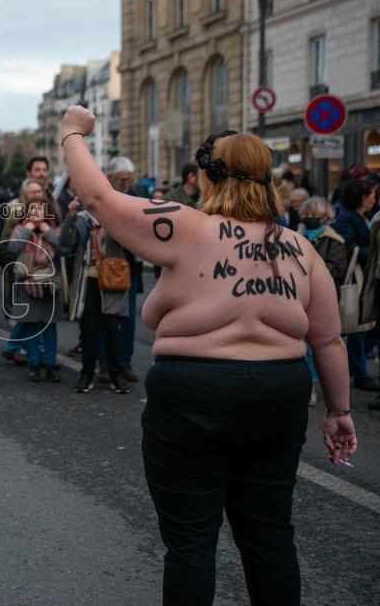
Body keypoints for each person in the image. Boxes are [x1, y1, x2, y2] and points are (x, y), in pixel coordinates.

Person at [61, 105, 356, 605]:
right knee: (269, 538)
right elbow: (328, 340)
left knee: (191, 545)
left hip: (193, 392)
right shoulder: (298, 250)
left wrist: (71, 131)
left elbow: (96, 196)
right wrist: (340, 412)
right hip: (278, 394)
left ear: (204, 178)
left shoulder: (185, 226)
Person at [60, 192, 126, 394]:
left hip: (112, 280)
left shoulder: (116, 219)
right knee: (89, 330)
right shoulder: (81, 219)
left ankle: (117, 376)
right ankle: (86, 375)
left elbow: (131, 244)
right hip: (87, 281)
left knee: (112, 330)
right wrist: (70, 216)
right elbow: (65, 242)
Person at [6, 183, 63, 382]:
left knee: (49, 327)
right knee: (30, 326)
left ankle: (50, 364)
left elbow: (62, 246)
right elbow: (12, 248)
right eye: (33, 210)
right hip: (27, 282)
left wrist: (46, 229)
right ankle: (33, 363)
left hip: (49, 283)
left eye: (41, 209)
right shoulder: (21, 229)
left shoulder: (54, 229)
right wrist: (28, 228)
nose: (37, 213)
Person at [95, 157, 142, 385]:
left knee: (129, 318)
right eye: (122, 179)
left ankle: (125, 362)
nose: (126, 183)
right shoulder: (102, 198)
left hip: (129, 266)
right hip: (106, 265)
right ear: (111, 178)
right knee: (107, 317)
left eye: (128, 180)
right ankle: (104, 362)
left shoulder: (135, 199)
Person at [331, 179, 378, 393]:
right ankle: (359, 372)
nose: (374, 199)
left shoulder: (363, 217)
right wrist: (373, 252)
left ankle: (355, 366)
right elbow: (348, 246)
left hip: (365, 278)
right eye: (371, 195)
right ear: (362, 197)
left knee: (368, 324)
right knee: (357, 327)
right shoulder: (347, 218)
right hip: (355, 279)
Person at [298, 197, 346, 407]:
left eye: (313, 215)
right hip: (299, 294)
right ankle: (309, 386)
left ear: (326, 217)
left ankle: (318, 385)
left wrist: (314, 267)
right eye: (306, 215)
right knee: (304, 344)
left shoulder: (334, 240)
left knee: (322, 343)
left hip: (322, 296)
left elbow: (337, 268)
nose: (309, 219)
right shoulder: (295, 236)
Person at [0, 178, 52, 365]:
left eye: (39, 191)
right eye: (32, 192)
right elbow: (6, 244)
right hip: (23, 274)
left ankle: (22, 349)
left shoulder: (49, 212)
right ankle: (22, 350)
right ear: (24, 196)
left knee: (39, 315)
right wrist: (18, 266)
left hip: (44, 274)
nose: (36, 195)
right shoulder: (17, 214)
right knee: (26, 314)